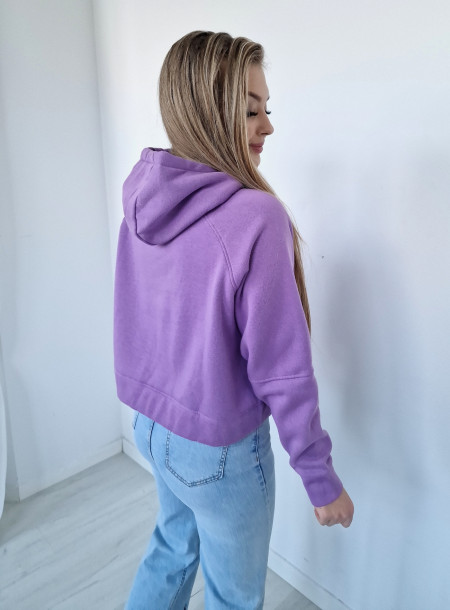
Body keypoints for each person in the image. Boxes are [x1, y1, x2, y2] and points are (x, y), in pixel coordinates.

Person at [113, 30, 354, 610]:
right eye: (250, 110)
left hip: (152, 426)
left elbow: (138, 318)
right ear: (206, 109)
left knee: (170, 551)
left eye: (267, 109)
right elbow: (281, 366)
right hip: (217, 451)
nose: (267, 126)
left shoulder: (144, 198)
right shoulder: (255, 216)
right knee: (235, 596)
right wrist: (319, 477)